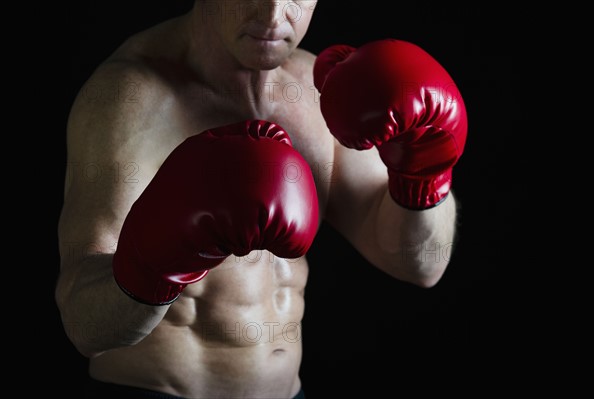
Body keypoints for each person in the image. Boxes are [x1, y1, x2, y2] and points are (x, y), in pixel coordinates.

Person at [56, 1, 468, 398]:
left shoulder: (320, 91)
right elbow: (83, 325)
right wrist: (154, 265)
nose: (273, 14)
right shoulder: (131, 100)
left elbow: (420, 264)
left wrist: (424, 173)